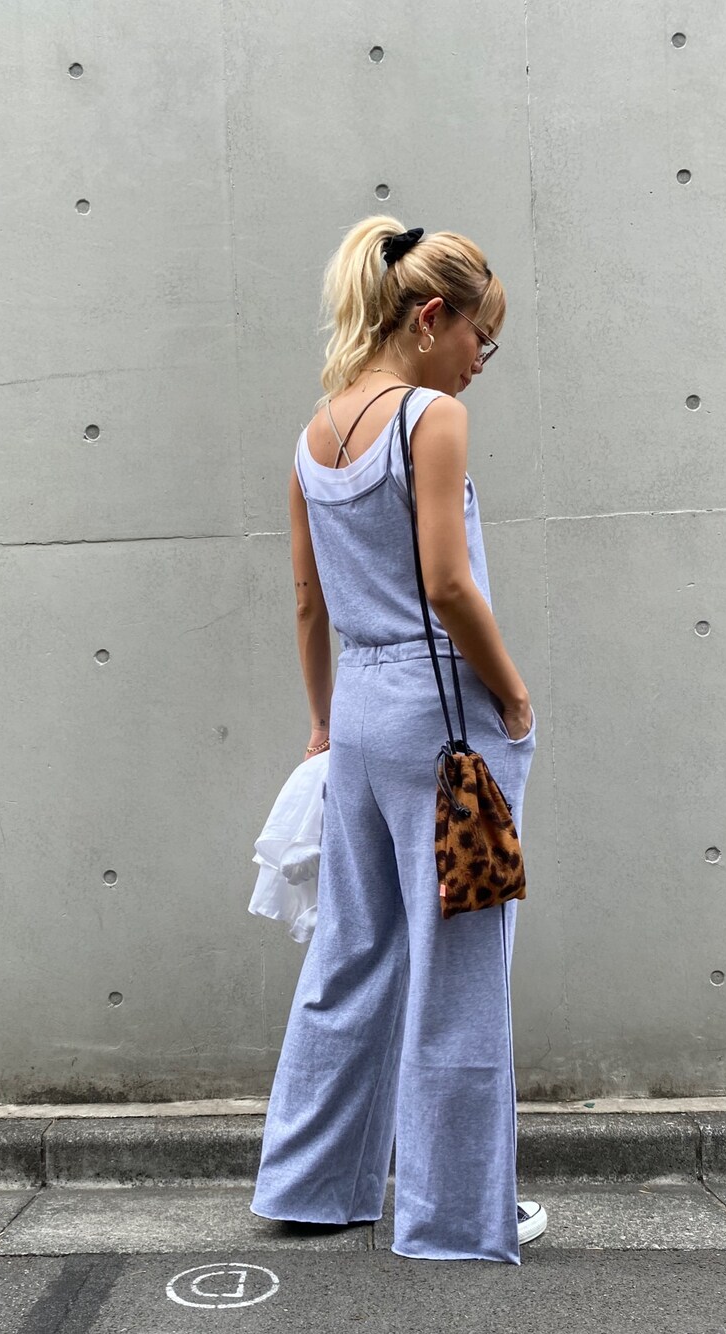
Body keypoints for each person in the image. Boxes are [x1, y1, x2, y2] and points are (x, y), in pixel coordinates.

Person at [249, 216, 547, 1262]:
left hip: (363, 718)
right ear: (430, 316)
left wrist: (323, 723)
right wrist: (512, 692)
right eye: (479, 336)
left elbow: (307, 601)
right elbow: (448, 583)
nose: (480, 359)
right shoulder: (431, 418)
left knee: (353, 949)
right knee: (460, 964)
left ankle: (308, 1181)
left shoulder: (315, 434)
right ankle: (456, 1214)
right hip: (446, 714)